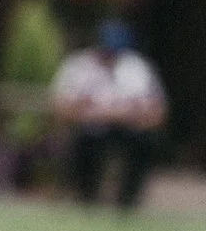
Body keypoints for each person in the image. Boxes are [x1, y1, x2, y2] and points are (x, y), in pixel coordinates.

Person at [52, 17, 166, 209]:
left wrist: (124, 116)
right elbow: (61, 108)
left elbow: (157, 112)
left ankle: (127, 201)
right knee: (85, 143)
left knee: (144, 143)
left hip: (128, 129)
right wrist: (99, 114)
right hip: (91, 129)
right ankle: (86, 199)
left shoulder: (137, 68)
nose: (110, 57)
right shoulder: (79, 66)